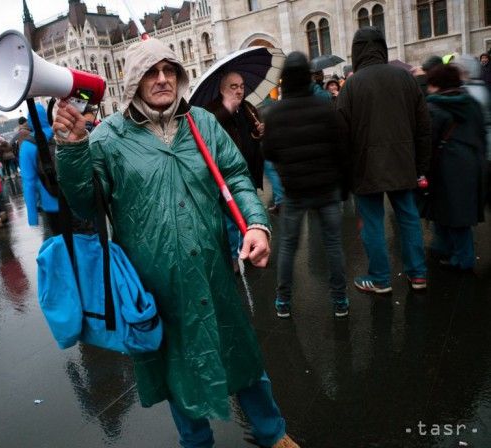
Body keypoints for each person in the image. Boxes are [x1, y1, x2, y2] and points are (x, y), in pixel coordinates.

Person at [53, 37, 298, 448]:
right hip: (157, 286)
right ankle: (196, 444)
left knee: (243, 358)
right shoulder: (109, 138)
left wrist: (256, 224)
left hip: (215, 273)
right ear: (133, 81)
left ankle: (273, 433)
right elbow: (84, 203)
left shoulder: (201, 122)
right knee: (178, 371)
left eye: (170, 70)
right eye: (151, 71)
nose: (163, 79)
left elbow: (237, 177)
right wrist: (73, 148)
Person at [336, 26, 431, 293]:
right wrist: (421, 166)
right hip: (403, 163)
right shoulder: (405, 78)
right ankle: (418, 274)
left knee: (373, 223)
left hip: (366, 168)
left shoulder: (352, 85)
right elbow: (424, 127)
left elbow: (341, 135)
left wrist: (346, 176)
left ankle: (380, 279)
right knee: (409, 218)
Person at [261, 51, 349, 318]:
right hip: (326, 189)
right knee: (333, 244)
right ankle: (340, 300)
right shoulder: (324, 107)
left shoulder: (275, 113)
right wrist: (343, 187)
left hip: (295, 192)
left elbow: (270, 153)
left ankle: (284, 301)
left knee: (288, 245)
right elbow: (341, 149)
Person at [424, 64, 486, 270]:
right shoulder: (472, 102)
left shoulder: (434, 107)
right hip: (472, 162)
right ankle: (447, 249)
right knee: (457, 213)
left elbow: (429, 143)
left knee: (453, 214)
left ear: (437, 85)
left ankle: (463, 261)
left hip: (447, 166)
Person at [205, 71, 268, 271]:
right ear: (223, 89)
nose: (239, 90)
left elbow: (251, 134)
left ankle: (248, 247)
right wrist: (227, 108)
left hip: (249, 169)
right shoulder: (212, 110)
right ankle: (234, 256)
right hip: (228, 174)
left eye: (241, 86)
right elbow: (210, 132)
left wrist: (259, 133)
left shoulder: (247, 107)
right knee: (231, 217)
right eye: (233, 86)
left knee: (249, 210)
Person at [19, 103, 61, 234]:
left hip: (50, 204)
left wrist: (32, 217)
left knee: (61, 244)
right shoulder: (60, 133)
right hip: (73, 199)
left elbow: (28, 183)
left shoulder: (27, 145)